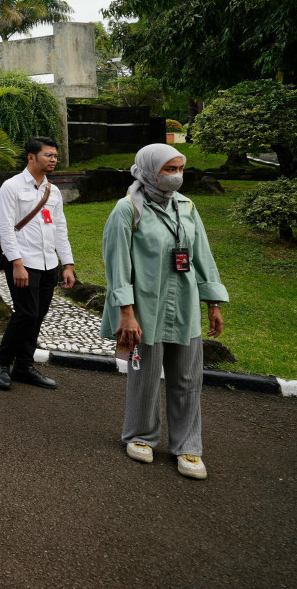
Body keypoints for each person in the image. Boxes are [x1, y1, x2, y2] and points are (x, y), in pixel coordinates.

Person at [101, 143, 228, 480]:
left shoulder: (187, 207)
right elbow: (117, 266)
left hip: (184, 305)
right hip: (145, 308)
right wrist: (126, 313)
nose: (176, 177)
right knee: (144, 376)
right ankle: (141, 436)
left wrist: (212, 303)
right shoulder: (127, 209)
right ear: (148, 170)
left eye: (179, 169)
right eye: (168, 170)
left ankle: (188, 445)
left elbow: (202, 256)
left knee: (188, 378)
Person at [0, 136, 76, 391]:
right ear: (31, 157)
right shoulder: (11, 187)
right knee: (26, 313)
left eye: (55, 156)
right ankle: (2, 362)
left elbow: (60, 228)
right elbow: (6, 229)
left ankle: (24, 367)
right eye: (48, 155)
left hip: (48, 263)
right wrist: (16, 263)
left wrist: (67, 264)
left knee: (37, 315)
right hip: (22, 261)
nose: (53, 159)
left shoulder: (54, 191)